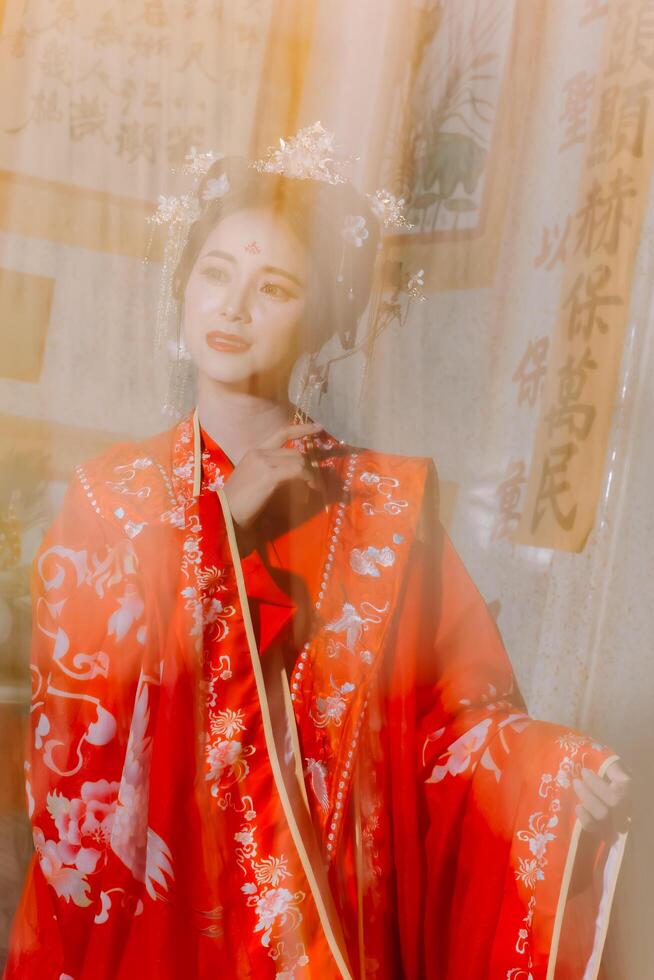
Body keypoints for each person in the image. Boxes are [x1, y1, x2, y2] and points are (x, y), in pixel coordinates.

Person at [4, 129, 630, 980]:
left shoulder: (378, 503)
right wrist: (216, 523)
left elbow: (453, 721)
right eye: (216, 274)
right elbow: (77, 724)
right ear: (183, 289)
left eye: (275, 288)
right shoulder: (113, 493)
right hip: (165, 922)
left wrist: (553, 776)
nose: (233, 307)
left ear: (319, 317)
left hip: (335, 917)